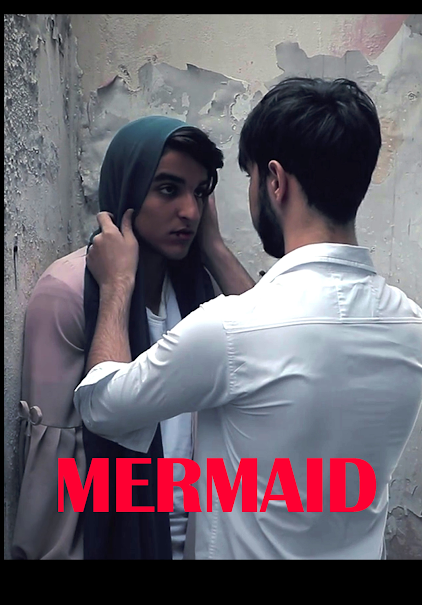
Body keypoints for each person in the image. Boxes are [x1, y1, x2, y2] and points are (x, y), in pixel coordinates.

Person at [75, 78, 422, 560]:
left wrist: (115, 287)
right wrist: (215, 249)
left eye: (251, 178)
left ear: (275, 181)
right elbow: (283, 335)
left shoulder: (231, 328)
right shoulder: (411, 328)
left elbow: (104, 407)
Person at [12, 116, 255, 560]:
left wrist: (215, 248)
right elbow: (54, 459)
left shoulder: (196, 289)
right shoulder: (68, 291)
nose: (189, 211)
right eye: (168, 189)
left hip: (202, 538)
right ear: (128, 189)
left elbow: (268, 339)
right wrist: (118, 287)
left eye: (200, 193)